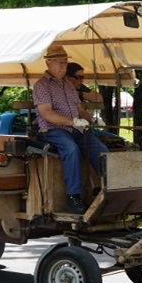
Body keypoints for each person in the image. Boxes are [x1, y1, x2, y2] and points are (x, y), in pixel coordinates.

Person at [33, 44, 107, 214]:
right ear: (48, 63)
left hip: (75, 129)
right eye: (59, 63)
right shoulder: (41, 85)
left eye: (65, 63)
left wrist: (93, 120)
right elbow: (47, 114)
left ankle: (107, 188)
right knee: (71, 149)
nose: (63, 66)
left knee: (100, 150)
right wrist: (73, 121)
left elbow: (80, 110)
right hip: (52, 130)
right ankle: (73, 196)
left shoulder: (68, 84)